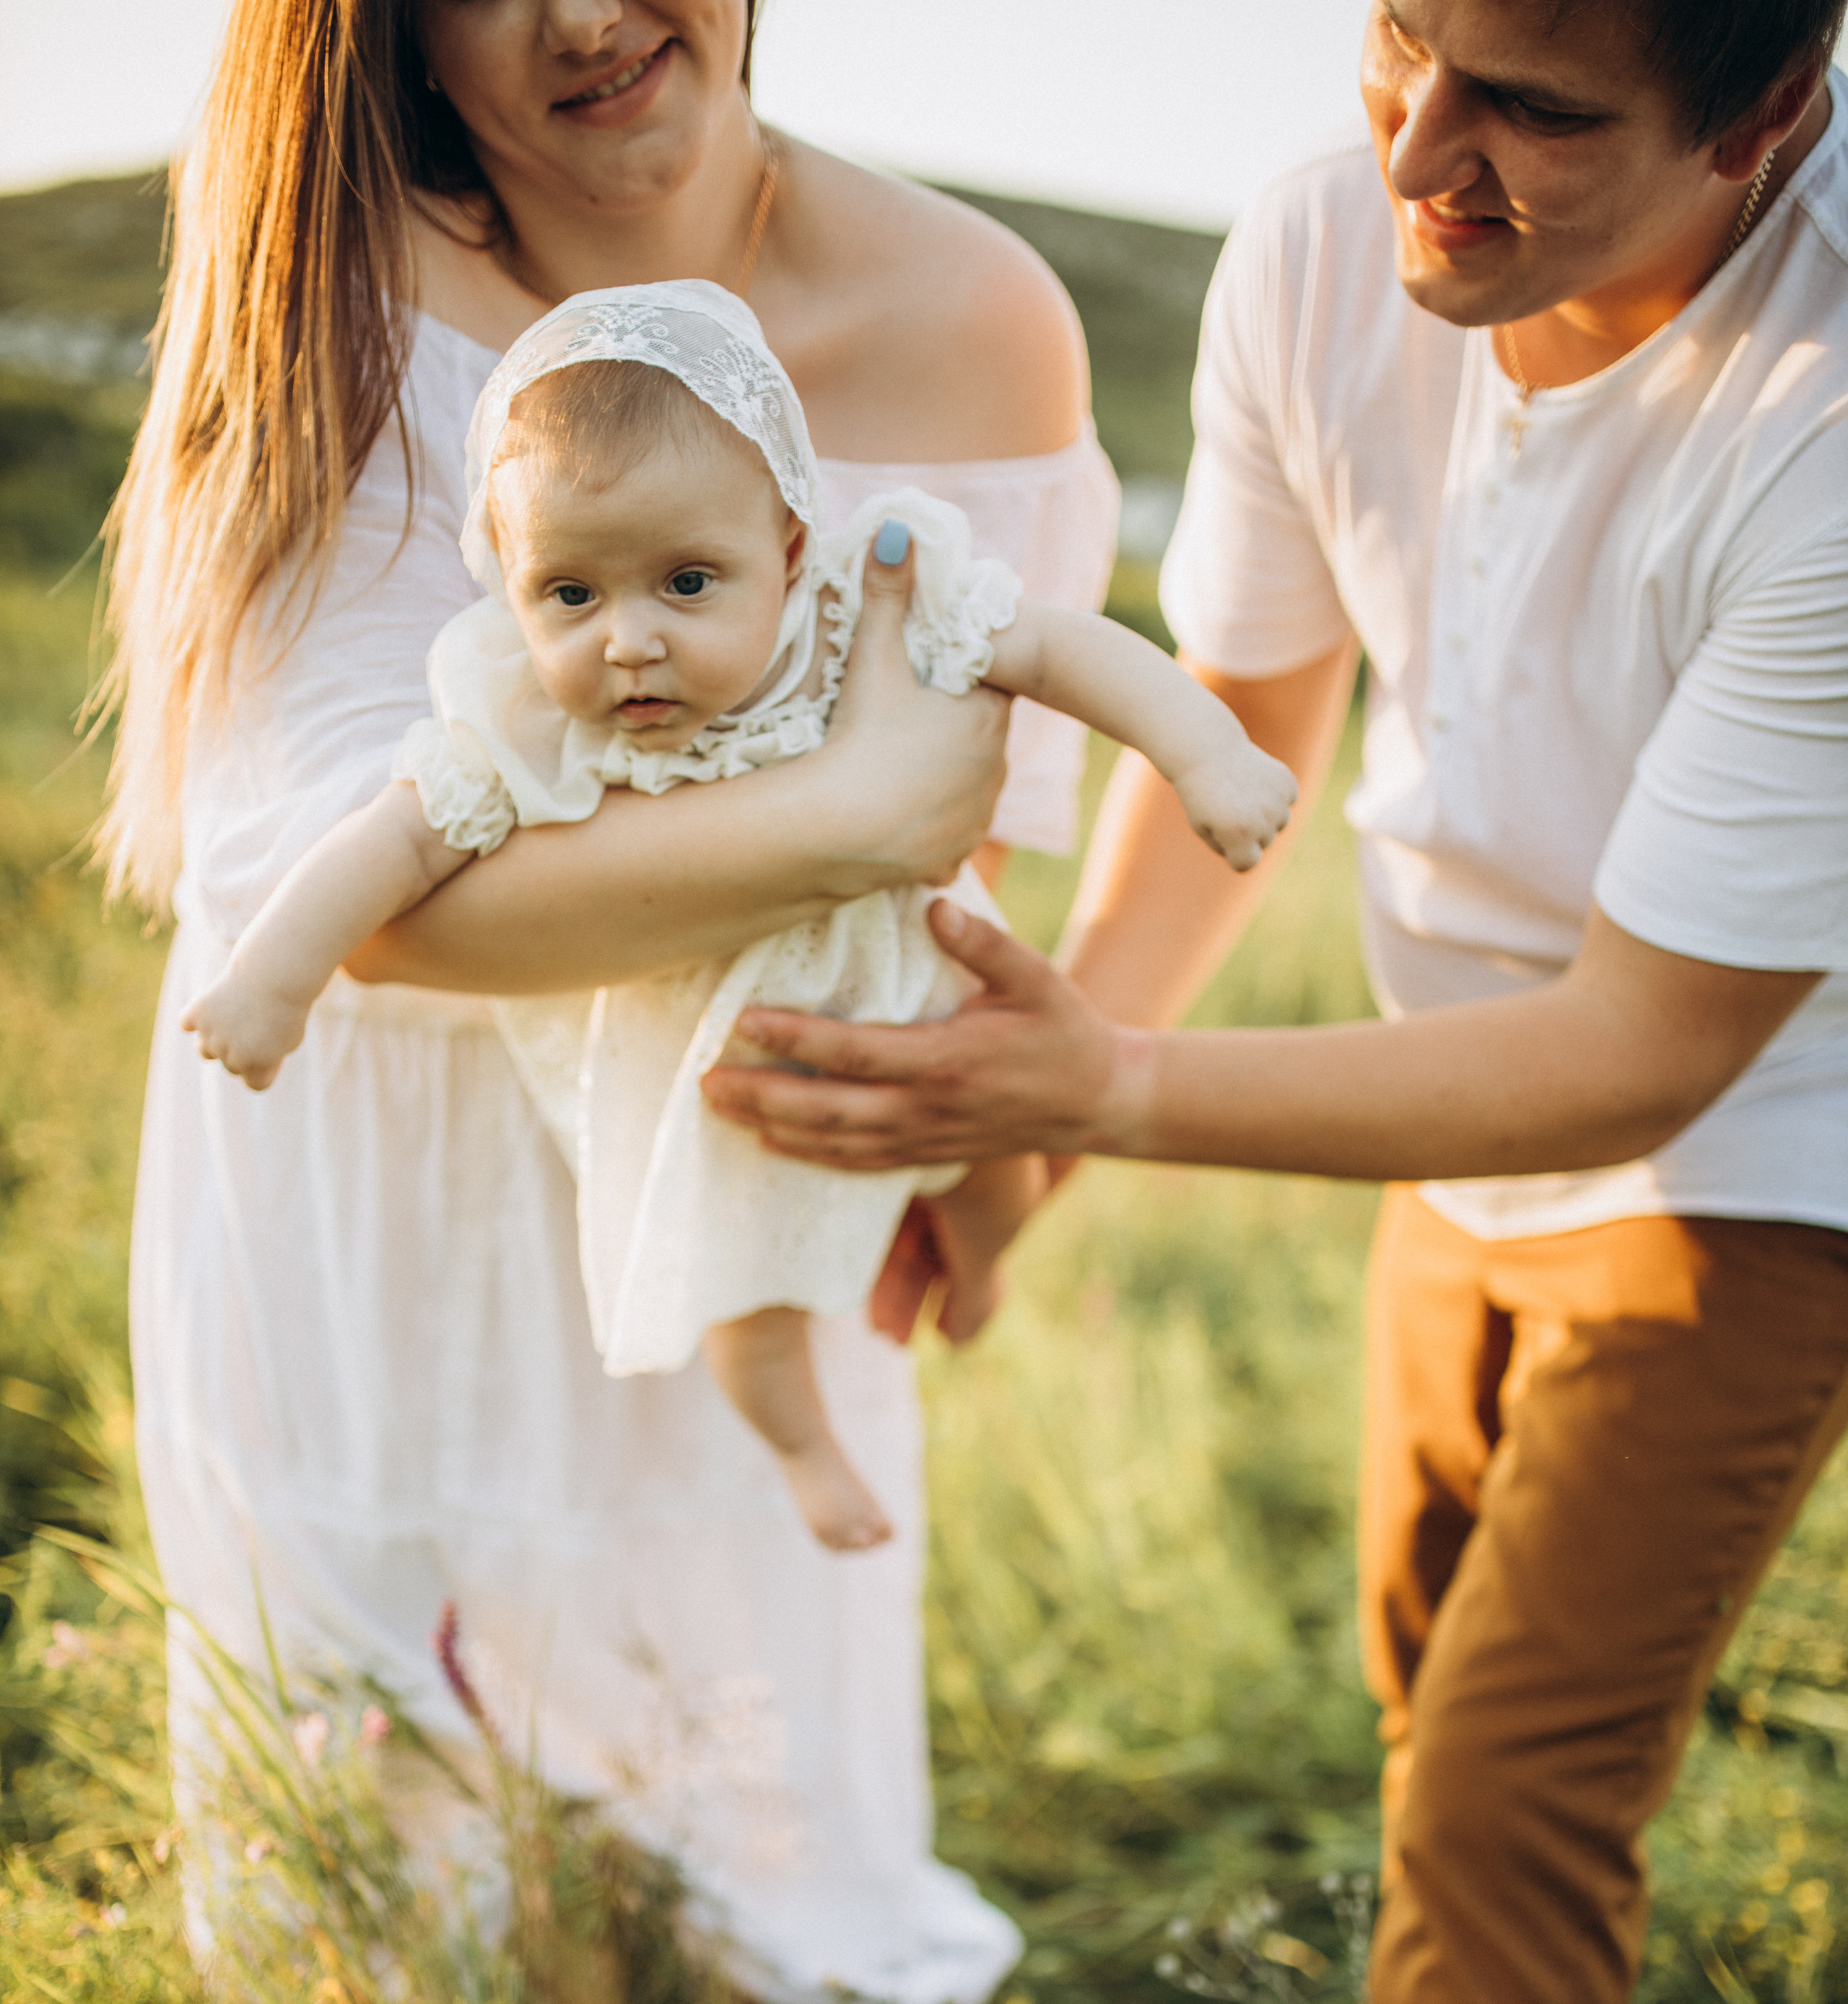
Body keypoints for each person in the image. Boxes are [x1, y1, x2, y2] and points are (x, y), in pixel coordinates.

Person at [700, 0, 1848, 2004]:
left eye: (1534, 117)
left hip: (1755, 1142)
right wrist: (1029, 1126)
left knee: (1503, 1828)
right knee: (1424, 1692)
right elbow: (1242, 720)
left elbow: (1653, 1050)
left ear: (1765, 117)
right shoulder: (1331, 233)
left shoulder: (1825, 411)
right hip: (1465, 1070)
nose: (1418, 164)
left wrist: (1093, 1085)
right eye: (1401, 52)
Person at [107, 0, 1120, 2004]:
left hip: (738, 1156)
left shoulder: (974, 321)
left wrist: (996, 1155)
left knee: (742, 1813)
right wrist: (849, 809)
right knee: (382, 1925)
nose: (581, 17)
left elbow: (967, 877)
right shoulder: (338, 263)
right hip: (376, 1183)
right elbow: (342, 897)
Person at [178, 282, 1294, 1554]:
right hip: (730, 1062)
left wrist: (1205, 756)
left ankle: (975, 1267)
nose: (630, 642)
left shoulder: (858, 612)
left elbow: (1061, 649)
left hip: (928, 996)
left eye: (687, 582)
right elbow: (396, 838)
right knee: (738, 1294)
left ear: (792, 550)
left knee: (997, 1166)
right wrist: (276, 979)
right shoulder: (525, 721)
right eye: (570, 596)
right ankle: (806, 1451)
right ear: (510, 587)